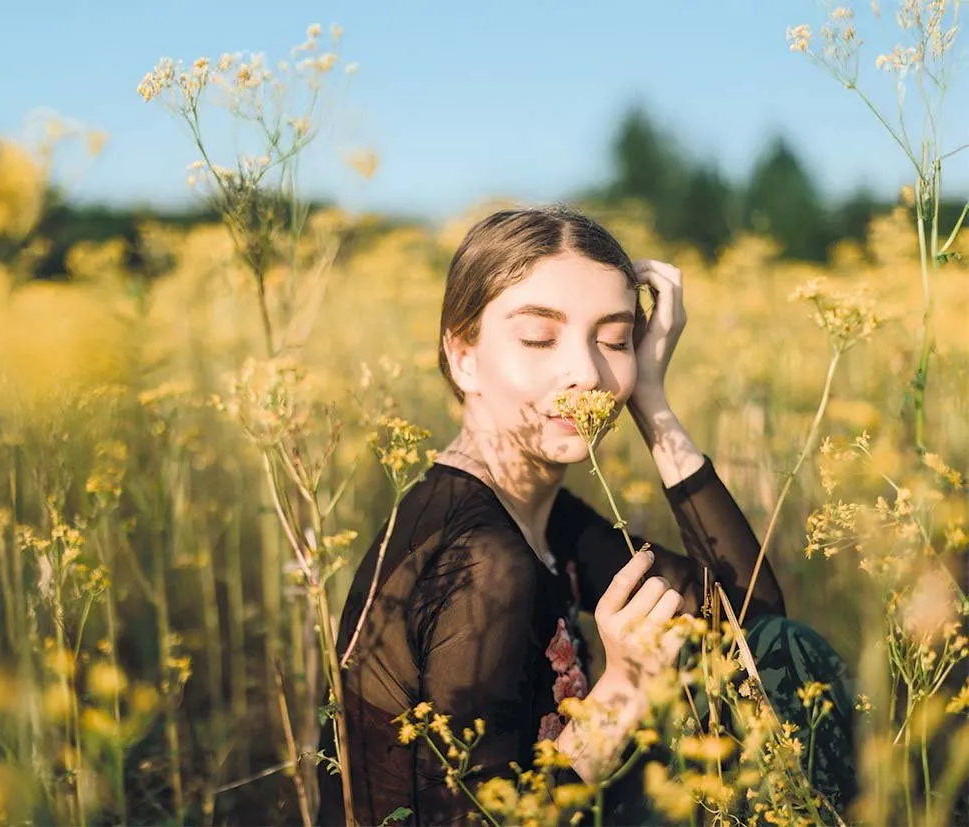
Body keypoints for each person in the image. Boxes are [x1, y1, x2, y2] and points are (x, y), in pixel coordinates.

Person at [316, 205, 855, 826]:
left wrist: (651, 400)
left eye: (614, 340)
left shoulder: (547, 517)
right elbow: (478, 821)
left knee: (785, 665)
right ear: (463, 356)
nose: (587, 373)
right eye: (539, 338)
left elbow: (752, 621)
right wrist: (624, 687)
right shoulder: (481, 560)